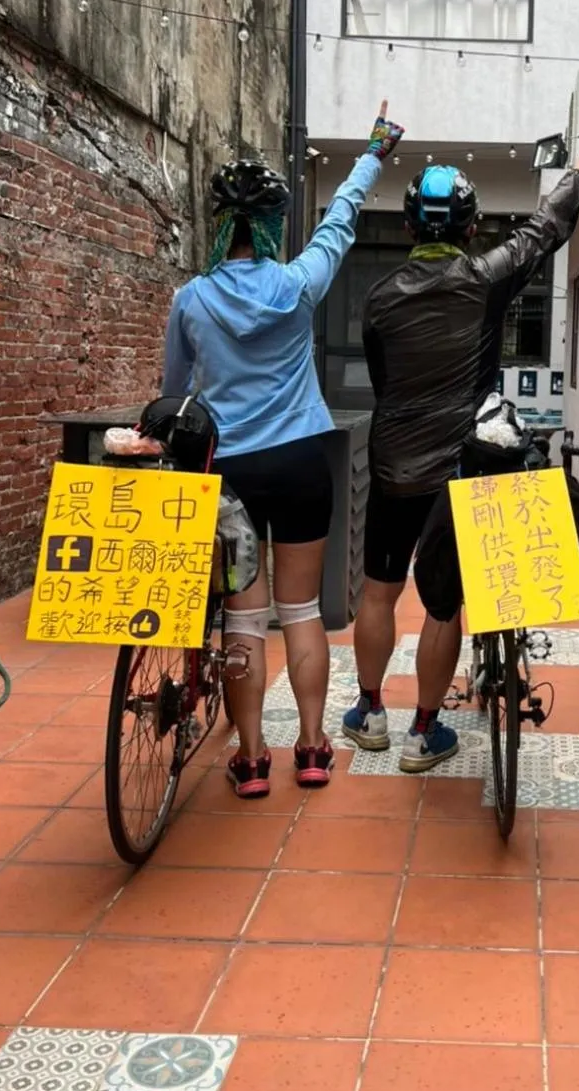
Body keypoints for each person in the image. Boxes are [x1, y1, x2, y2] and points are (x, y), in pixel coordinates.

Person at [344, 123, 579, 772]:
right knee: (444, 602)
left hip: (392, 465)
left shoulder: (379, 300)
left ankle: (369, 712)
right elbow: (548, 226)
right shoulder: (486, 278)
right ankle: (424, 733)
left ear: (410, 228)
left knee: (379, 592)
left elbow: (384, 383)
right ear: (470, 230)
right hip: (464, 467)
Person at [161, 104, 404, 798]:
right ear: (269, 225)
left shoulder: (193, 299)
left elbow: (176, 392)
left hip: (228, 476)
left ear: (219, 224)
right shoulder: (297, 286)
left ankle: (250, 755)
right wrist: (373, 153)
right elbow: (341, 220)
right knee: (301, 613)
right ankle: (313, 746)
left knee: (245, 618)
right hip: (302, 464)